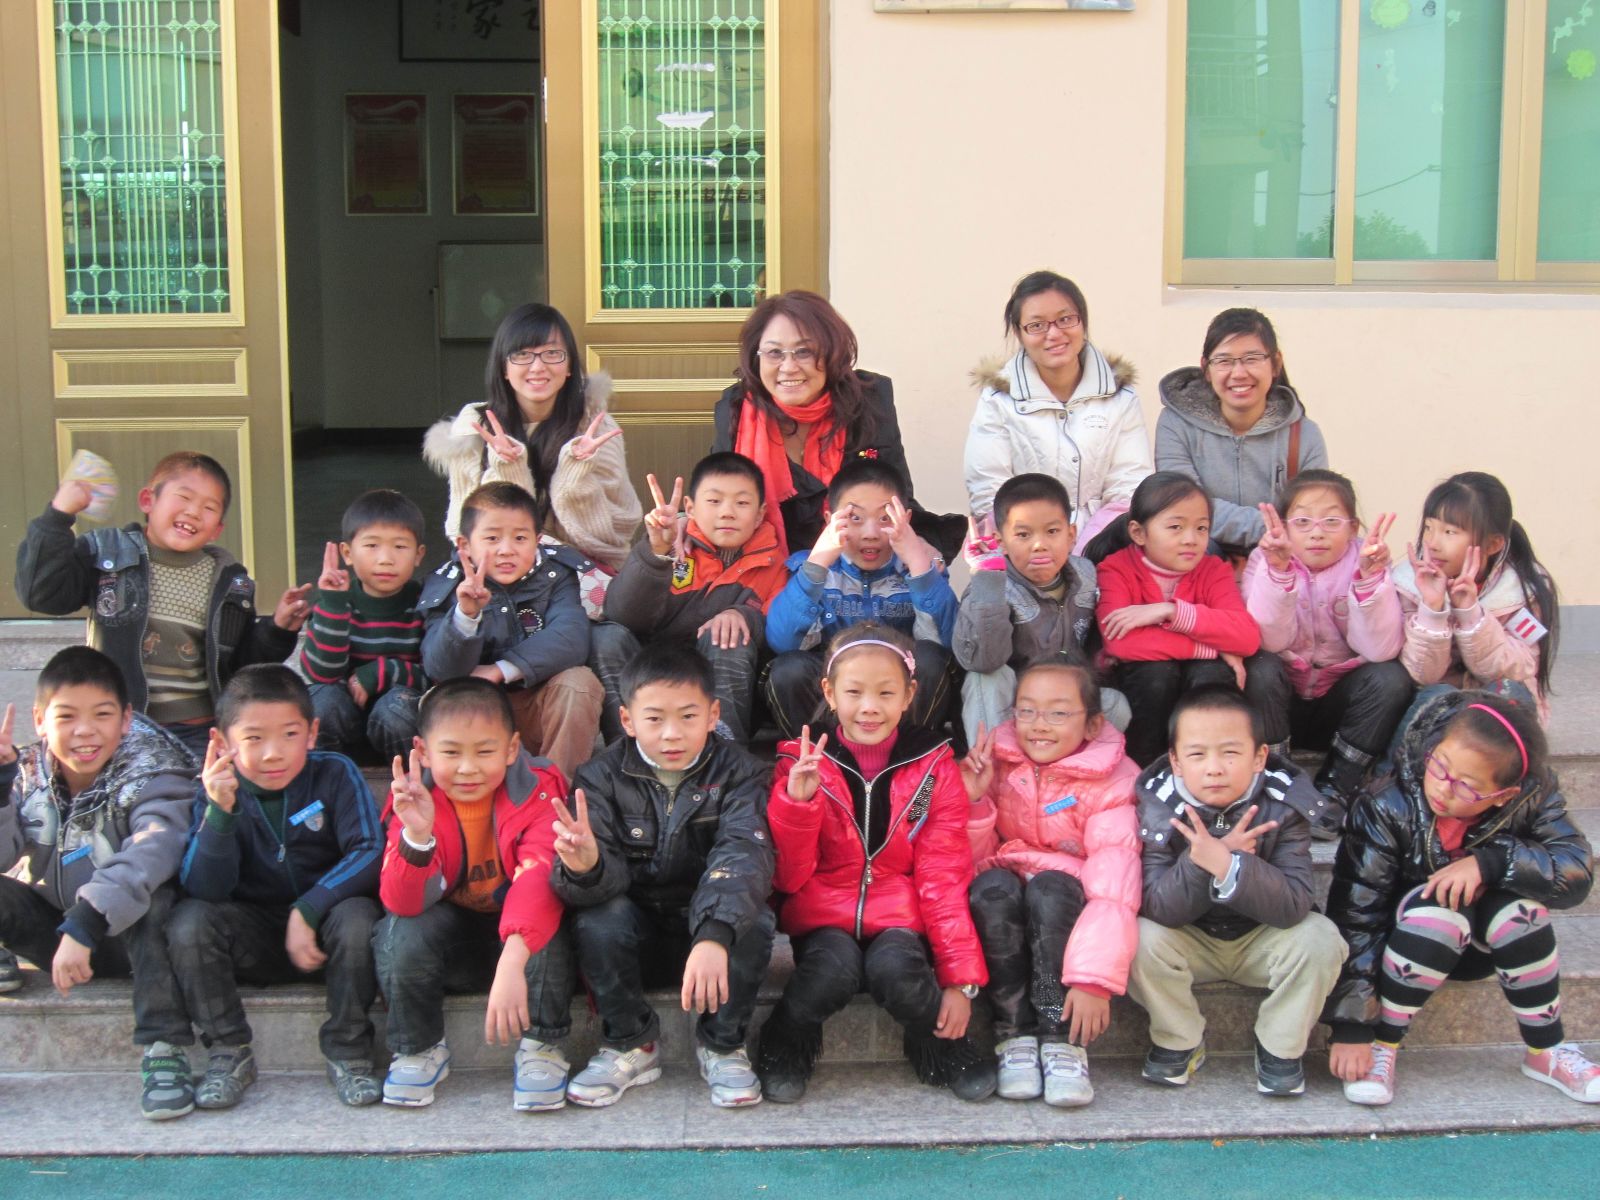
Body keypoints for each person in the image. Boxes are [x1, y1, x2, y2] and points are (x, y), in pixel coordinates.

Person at [1324, 691, 1597, 1106]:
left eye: (1466, 787)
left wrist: (1490, 864)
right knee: (1441, 914)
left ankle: (1546, 1050)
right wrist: (1352, 1025)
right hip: (1410, 942)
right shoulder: (1386, 803)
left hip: (1482, 946)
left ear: (1503, 795)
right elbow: (1356, 912)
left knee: (1523, 914)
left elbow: (1574, 870)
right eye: (1439, 766)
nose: (1442, 788)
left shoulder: (1532, 797)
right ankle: (1384, 1041)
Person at [758, 623, 994, 1104]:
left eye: (886, 693)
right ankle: (785, 1041)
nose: (869, 707)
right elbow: (789, 877)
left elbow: (942, 877)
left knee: (899, 970)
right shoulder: (801, 764)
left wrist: (960, 981)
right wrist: (798, 805)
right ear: (829, 692)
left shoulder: (932, 769)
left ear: (909, 695)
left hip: (900, 915)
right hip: (822, 915)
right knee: (831, 970)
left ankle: (938, 1046)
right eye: (854, 692)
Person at [550, 643, 775, 1108]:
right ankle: (630, 1043)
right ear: (627, 720)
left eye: (688, 717)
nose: (672, 734)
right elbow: (600, 884)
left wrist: (715, 932)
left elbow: (744, 854)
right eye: (654, 719)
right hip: (638, 937)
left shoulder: (742, 772)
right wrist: (587, 866)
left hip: (707, 935)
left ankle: (723, 1044)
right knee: (598, 919)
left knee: (753, 919)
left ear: (713, 714)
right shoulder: (599, 777)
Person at [170, 666, 383, 1109]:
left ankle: (349, 1050)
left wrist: (309, 907)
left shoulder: (335, 773)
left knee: (359, 916)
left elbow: (370, 850)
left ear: (312, 733)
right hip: (254, 935)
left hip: (325, 932)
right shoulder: (215, 789)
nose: (273, 754)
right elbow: (203, 888)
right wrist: (220, 813)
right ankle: (228, 1050)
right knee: (189, 921)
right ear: (221, 742)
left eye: (289, 735)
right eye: (253, 738)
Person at [0, 646, 198, 1119]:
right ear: (40, 720)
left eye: (102, 715)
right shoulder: (26, 771)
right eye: (67, 716)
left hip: (135, 939)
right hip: (61, 935)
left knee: (156, 895)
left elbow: (153, 850)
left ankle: (164, 1048)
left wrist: (86, 922)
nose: (85, 731)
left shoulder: (157, 771)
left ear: (126, 719)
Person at [1126, 687, 1347, 1097]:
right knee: (1132, 936)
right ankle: (1180, 1037)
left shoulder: (1284, 803)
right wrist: (1201, 862)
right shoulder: (1157, 806)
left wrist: (1231, 866)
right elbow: (1158, 906)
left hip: (1262, 938)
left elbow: (1294, 905)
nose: (1214, 769)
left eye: (1230, 753)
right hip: (1188, 940)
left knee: (1322, 939)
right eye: (1197, 754)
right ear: (1175, 761)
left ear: (1259, 757)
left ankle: (1280, 1046)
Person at [15, 450, 309, 757]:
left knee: (206, 785)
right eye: (184, 497)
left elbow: (240, 665)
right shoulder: (108, 554)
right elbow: (41, 594)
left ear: (217, 529)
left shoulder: (232, 582)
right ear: (148, 501)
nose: (194, 512)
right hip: (120, 724)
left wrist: (278, 628)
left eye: (209, 507)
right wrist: (58, 516)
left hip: (199, 729)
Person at [373, 678, 573, 1110]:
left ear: (512, 748)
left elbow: (538, 877)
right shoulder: (413, 795)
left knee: (546, 924)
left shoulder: (539, 788)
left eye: (484, 752)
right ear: (423, 752)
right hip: (454, 931)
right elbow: (401, 901)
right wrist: (417, 835)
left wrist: (513, 960)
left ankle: (542, 1045)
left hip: (516, 926)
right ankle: (418, 1047)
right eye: (451, 753)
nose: (467, 769)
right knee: (400, 929)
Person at [964, 661, 1141, 1107]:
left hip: (1067, 901)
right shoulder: (995, 761)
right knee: (991, 890)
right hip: (1007, 884)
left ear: (1093, 724)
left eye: (1058, 713)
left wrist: (1094, 981)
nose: (1039, 725)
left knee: (1050, 890)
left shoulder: (1115, 781)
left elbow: (1114, 888)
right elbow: (968, 860)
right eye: (1027, 711)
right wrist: (973, 801)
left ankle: (1059, 1035)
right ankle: (1013, 1033)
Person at [423, 301, 641, 610]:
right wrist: (508, 471)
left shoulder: (594, 426)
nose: (537, 367)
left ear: (570, 366)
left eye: (552, 353)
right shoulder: (475, 427)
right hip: (498, 581)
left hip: (578, 581)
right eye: (522, 354)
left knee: (609, 636)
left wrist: (574, 478)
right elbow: (464, 527)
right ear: (504, 367)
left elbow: (616, 534)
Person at [712, 290, 961, 558]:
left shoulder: (868, 403)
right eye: (774, 352)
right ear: (756, 357)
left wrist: (922, 546)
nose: (788, 366)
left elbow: (894, 496)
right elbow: (716, 498)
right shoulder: (737, 410)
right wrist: (683, 521)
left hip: (852, 567)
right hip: (762, 567)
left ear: (832, 353)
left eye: (804, 352)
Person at [1242, 470, 1413, 839]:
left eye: (1332, 521)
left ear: (1353, 528)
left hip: (1340, 707)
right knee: (1259, 667)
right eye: (1303, 522)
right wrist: (1278, 572)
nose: (1317, 533)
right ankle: (1278, 779)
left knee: (1390, 677)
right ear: (1283, 527)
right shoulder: (1264, 559)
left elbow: (1379, 649)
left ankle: (1337, 787)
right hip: (1281, 703)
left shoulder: (1367, 559)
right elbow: (1266, 640)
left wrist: (1370, 579)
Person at [591, 452, 786, 745]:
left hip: (715, 687)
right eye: (714, 501)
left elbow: (779, 635)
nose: (727, 512)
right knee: (605, 637)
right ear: (690, 507)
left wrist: (743, 615)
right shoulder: (671, 544)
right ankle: (628, 749)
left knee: (729, 633)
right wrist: (657, 552)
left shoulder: (774, 564)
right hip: (651, 674)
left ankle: (724, 753)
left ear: (760, 514)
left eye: (742, 503)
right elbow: (622, 615)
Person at [1093, 471, 1282, 768]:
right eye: (1175, 527)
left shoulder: (1213, 569)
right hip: (1142, 688)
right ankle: (1146, 768)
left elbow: (1246, 638)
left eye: (1201, 528)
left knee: (1211, 674)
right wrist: (1211, 647)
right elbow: (1120, 643)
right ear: (1139, 532)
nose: (1191, 539)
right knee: (1157, 674)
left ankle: (1206, 766)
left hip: (1195, 681)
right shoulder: (1115, 569)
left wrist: (1170, 611)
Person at [417, 481, 602, 782]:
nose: (506, 550)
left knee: (578, 683)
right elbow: (440, 668)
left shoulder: (556, 575)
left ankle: (555, 794)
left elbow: (571, 637)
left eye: (520, 538)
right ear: (464, 545)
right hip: (474, 714)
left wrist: (501, 670)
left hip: (535, 707)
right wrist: (466, 615)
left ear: (537, 541)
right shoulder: (446, 584)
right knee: (436, 700)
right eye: (492, 538)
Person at [764, 458, 960, 740]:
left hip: (897, 696)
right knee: (789, 669)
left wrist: (918, 565)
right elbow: (783, 642)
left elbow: (948, 642)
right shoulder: (813, 568)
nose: (871, 534)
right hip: (838, 695)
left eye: (885, 518)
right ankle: (820, 755)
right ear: (829, 520)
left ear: (906, 519)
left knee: (930, 659)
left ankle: (913, 757)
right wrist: (817, 565)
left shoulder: (920, 568)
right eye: (855, 518)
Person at [964, 269, 1151, 549]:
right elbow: (989, 491)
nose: (1054, 333)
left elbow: (1129, 486)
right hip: (1025, 552)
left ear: (1082, 322)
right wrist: (1041, 548)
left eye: (1065, 319)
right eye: (1037, 325)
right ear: (1019, 333)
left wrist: (1088, 550)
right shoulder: (998, 400)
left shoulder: (1120, 396)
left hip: (1105, 547)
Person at [953, 472, 1128, 743]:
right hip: (1014, 703)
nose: (1039, 545)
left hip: (1063, 698)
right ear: (1001, 542)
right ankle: (993, 762)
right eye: (1023, 534)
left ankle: (1072, 766)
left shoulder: (1087, 576)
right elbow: (983, 661)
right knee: (986, 679)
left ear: (1071, 535)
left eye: (1052, 532)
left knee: (1116, 704)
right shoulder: (990, 585)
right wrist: (987, 579)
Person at [1155, 308, 1327, 555]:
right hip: (1200, 554)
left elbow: (1312, 516)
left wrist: (1276, 539)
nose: (1238, 373)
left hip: (1278, 557)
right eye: (1224, 361)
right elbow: (1183, 506)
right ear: (1206, 368)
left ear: (1276, 363)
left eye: (1252, 358)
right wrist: (1272, 528)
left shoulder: (1304, 435)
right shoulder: (1175, 423)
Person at [1391, 471, 1558, 723]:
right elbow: (1422, 674)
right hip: (1434, 703)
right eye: (1428, 527)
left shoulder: (1522, 589)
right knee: (1434, 698)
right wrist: (1432, 610)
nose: (1433, 543)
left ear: (1492, 545)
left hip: (1494, 705)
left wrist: (1471, 615)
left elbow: (1520, 668)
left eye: (1449, 532)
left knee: (1509, 695)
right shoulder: (1409, 585)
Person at [295, 489, 428, 764]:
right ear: (347, 553)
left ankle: (412, 782)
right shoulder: (334, 601)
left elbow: (435, 678)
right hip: (345, 720)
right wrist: (333, 604)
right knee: (322, 701)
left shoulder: (425, 604)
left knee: (397, 708)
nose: (385, 559)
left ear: (418, 555)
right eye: (372, 545)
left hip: (398, 724)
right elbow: (321, 674)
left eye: (400, 547)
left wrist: (381, 672)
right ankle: (329, 777)